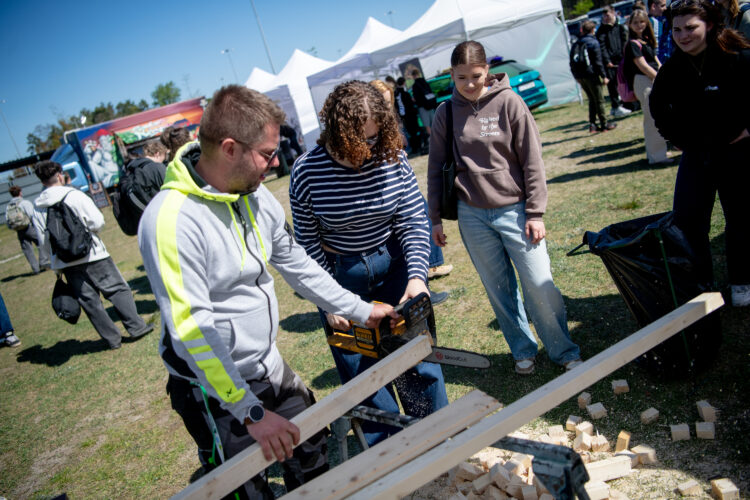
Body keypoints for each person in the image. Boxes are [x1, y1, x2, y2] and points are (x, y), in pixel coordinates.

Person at [138, 84, 394, 498]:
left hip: (267, 365)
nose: (275, 163)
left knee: (312, 451)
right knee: (249, 488)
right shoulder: (170, 221)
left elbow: (298, 265)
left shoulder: (254, 196)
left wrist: (361, 310)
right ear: (229, 148)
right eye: (267, 153)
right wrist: (250, 411)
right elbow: (191, 331)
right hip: (214, 387)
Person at [289, 81, 449, 446]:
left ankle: (439, 437)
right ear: (337, 133)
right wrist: (330, 301)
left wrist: (417, 277)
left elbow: (412, 219)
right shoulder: (306, 172)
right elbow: (308, 244)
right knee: (364, 373)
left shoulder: (392, 157)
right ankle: (389, 450)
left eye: (376, 137)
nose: (370, 149)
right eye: (360, 141)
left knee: (417, 358)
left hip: (394, 266)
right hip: (341, 276)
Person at [427, 41, 582, 376]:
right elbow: (436, 166)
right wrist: (435, 218)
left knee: (539, 284)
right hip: (472, 215)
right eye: (461, 77)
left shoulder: (510, 102)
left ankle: (564, 351)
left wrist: (535, 212)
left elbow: (532, 161)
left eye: (476, 75)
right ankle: (522, 350)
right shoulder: (445, 112)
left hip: (517, 210)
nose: (470, 84)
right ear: (451, 75)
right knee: (499, 290)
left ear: (488, 71)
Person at [650, 0, 750, 306]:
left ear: (710, 25)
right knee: (689, 222)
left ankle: (742, 281)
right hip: (697, 157)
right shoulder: (672, 70)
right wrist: (676, 139)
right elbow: (658, 109)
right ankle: (703, 286)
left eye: (690, 27)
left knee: (741, 219)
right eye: (677, 29)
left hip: (738, 154)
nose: (683, 35)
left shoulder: (739, 57)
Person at [31, 161, 153, 349]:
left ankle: (112, 339)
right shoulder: (73, 195)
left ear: (42, 181)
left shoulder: (38, 207)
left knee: (89, 302)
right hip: (92, 254)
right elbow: (97, 221)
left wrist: (55, 263)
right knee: (117, 289)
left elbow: (43, 239)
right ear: (59, 175)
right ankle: (136, 327)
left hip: (66, 261)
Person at [369, 79, 453, 281]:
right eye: (381, 102)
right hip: (387, 184)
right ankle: (429, 265)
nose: (385, 107)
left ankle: (429, 264)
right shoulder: (369, 127)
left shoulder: (387, 122)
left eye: (388, 102)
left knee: (421, 215)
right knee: (419, 216)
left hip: (399, 178)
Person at [625, 9, 671, 164]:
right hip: (644, 81)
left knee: (659, 117)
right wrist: (659, 79)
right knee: (652, 120)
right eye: (635, 22)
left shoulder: (646, 40)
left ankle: (660, 151)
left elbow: (655, 60)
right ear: (630, 25)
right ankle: (657, 156)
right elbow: (643, 65)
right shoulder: (632, 44)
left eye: (642, 22)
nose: (639, 25)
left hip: (653, 79)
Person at [572, 20, 619, 132]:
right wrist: (604, 76)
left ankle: (592, 124)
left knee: (592, 99)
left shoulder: (576, 43)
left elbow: (572, 62)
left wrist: (576, 76)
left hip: (581, 76)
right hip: (592, 74)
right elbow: (598, 62)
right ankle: (604, 123)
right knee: (599, 100)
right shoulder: (593, 42)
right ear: (593, 30)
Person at [597, 6, 633, 117]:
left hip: (621, 60)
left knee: (624, 83)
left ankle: (627, 104)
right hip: (610, 63)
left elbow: (625, 42)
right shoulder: (601, 31)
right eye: (604, 16)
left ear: (613, 13)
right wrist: (607, 60)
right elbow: (602, 47)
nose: (606, 18)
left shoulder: (621, 27)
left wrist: (625, 57)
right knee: (612, 85)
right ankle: (616, 106)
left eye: (607, 15)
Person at [5, 186, 49, 274]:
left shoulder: (8, 206)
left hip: (19, 230)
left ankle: (35, 269)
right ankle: (43, 262)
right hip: (29, 227)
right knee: (41, 242)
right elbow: (32, 215)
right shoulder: (24, 202)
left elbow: (7, 220)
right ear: (20, 192)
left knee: (27, 250)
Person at [394, 77, 425, 155]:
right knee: (415, 132)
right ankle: (418, 147)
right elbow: (410, 105)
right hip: (410, 116)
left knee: (409, 133)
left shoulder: (396, 94)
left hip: (403, 117)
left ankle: (414, 148)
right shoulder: (405, 94)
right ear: (404, 83)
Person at [410, 69, 438, 137]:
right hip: (430, 105)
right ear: (419, 74)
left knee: (427, 125)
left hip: (422, 108)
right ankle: (439, 137)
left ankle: (433, 139)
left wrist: (413, 99)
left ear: (413, 76)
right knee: (434, 123)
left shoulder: (415, 85)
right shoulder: (425, 82)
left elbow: (416, 98)